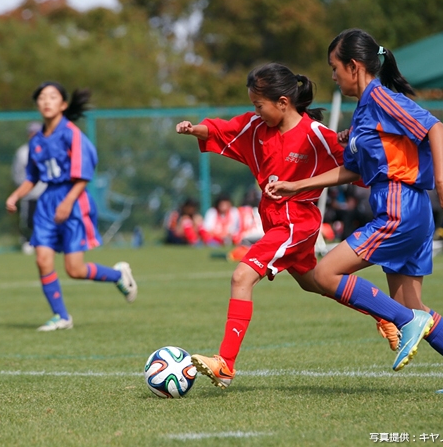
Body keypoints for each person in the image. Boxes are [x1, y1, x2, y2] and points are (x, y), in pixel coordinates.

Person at [176, 62, 427, 390]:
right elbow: (224, 130)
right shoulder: (255, 126)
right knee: (314, 282)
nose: (255, 112)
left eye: (259, 105)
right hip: (274, 220)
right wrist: (195, 129)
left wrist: (380, 164)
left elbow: (356, 163)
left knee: (241, 276)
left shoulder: (316, 136)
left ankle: (225, 364)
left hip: (296, 221)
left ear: (283, 102)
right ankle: (383, 313)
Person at [266, 28, 443, 393]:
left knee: (325, 274)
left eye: (334, 68)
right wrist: (297, 185)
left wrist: (441, 181)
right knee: (410, 303)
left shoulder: (381, 99)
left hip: (400, 207)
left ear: (354, 67)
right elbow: (354, 170)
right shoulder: (364, 112)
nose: (332, 76)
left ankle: (408, 322)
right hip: (411, 209)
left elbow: (435, 128)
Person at [5, 81, 137, 332]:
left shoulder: (72, 134)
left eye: (52, 97)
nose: (46, 101)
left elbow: (84, 174)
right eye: (42, 97)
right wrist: (15, 196)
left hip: (74, 201)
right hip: (46, 203)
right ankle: (61, 316)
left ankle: (119, 275)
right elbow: (33, 177)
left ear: (63, 105)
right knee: (43, 260)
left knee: (74, 270)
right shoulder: (36, 141)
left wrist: (67, 203)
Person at [11, 121, 47, 254]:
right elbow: (17, 173)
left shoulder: (49, 149)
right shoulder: (22, 152)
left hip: (46, 193)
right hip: (29, 193)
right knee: (28, 220)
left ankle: (47, 242)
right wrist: (22, 189)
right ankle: (28, 241)